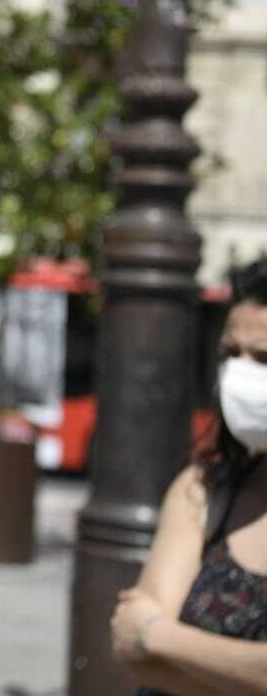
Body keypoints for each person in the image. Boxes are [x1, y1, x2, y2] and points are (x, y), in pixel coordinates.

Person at [113, 258, 267, 694]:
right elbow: (137, 659)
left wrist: (159, 634)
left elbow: (143, 637)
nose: (241, 374)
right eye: (230, 354)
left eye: (264, 357)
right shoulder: (202, 491)